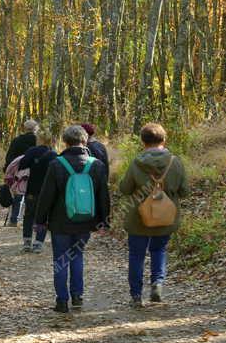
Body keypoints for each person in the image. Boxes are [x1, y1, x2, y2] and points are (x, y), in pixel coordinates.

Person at [34, 125, 111, 313]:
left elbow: (46, 196)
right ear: (85, 141)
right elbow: (103, 197)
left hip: (60, 222)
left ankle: (61, 301)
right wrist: (104, 221)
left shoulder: (57, 164)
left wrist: (40, 220)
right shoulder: (97, 165)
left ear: (66, 142)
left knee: (61, 259)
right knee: (77, 256)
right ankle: (77, 296)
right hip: (86, 221)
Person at [118, 122, 188, 308]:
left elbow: (125, 189)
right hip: (165, 216)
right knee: (159, 250)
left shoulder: (136, 162)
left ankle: (135, 295)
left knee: (136, 255)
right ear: (164, 140)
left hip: (138, 217)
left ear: (142, 141)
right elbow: (184, 191)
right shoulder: (175, 162)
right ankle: (157, 284)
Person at [18, 129, 57, 253]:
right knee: (43, 217)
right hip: (47, 191)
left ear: (38, 139)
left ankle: (27, 242)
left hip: (32, 189)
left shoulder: (32, 151)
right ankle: (38, 243)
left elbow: (22, 164)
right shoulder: (53, 154)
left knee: (29, 215)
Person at [4, 119, 40, 225]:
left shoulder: (17, 140)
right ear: (35, 129)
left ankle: (14, 219)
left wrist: (10, 170)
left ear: (25, 128)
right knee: (33, 196)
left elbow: (9, 157)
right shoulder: (39, 141)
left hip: (19, 172)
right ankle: (32, 221)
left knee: (18, 194)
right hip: (36, 171)